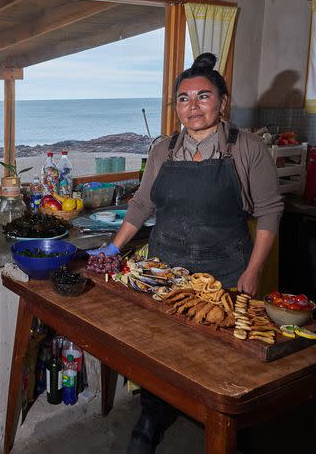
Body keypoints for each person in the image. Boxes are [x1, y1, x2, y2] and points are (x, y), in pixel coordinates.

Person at [88, 52, 283, 453]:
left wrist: (252, 271)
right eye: (183, 98)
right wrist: (112, 247)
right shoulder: (164, 150)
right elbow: (142, 205)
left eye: (203, 96)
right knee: (159, 351)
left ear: (223, 102)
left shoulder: (247, 149)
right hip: (165, 270)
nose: (192, 106)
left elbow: (269, 213)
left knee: (220, 358)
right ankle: (151, 416)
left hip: (225, 271)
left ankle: (225, 427)